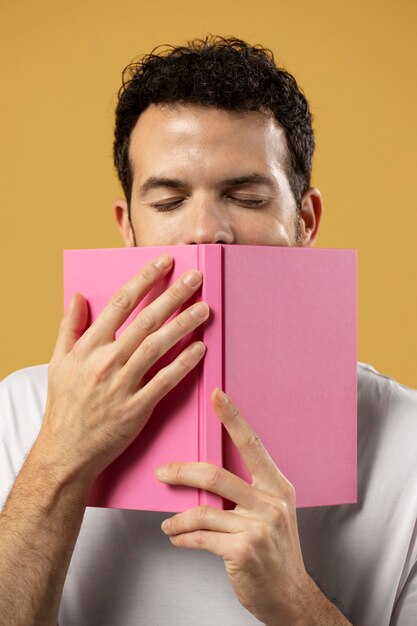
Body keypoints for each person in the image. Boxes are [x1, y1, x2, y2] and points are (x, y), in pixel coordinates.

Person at [0, 36, 416, 626]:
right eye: (168, 202)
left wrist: (296, 601)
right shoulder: (18, 411)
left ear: (305, 221)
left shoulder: (408, 441)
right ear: (128, 230)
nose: (205, 232)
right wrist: (58, 463)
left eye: (245, 197)